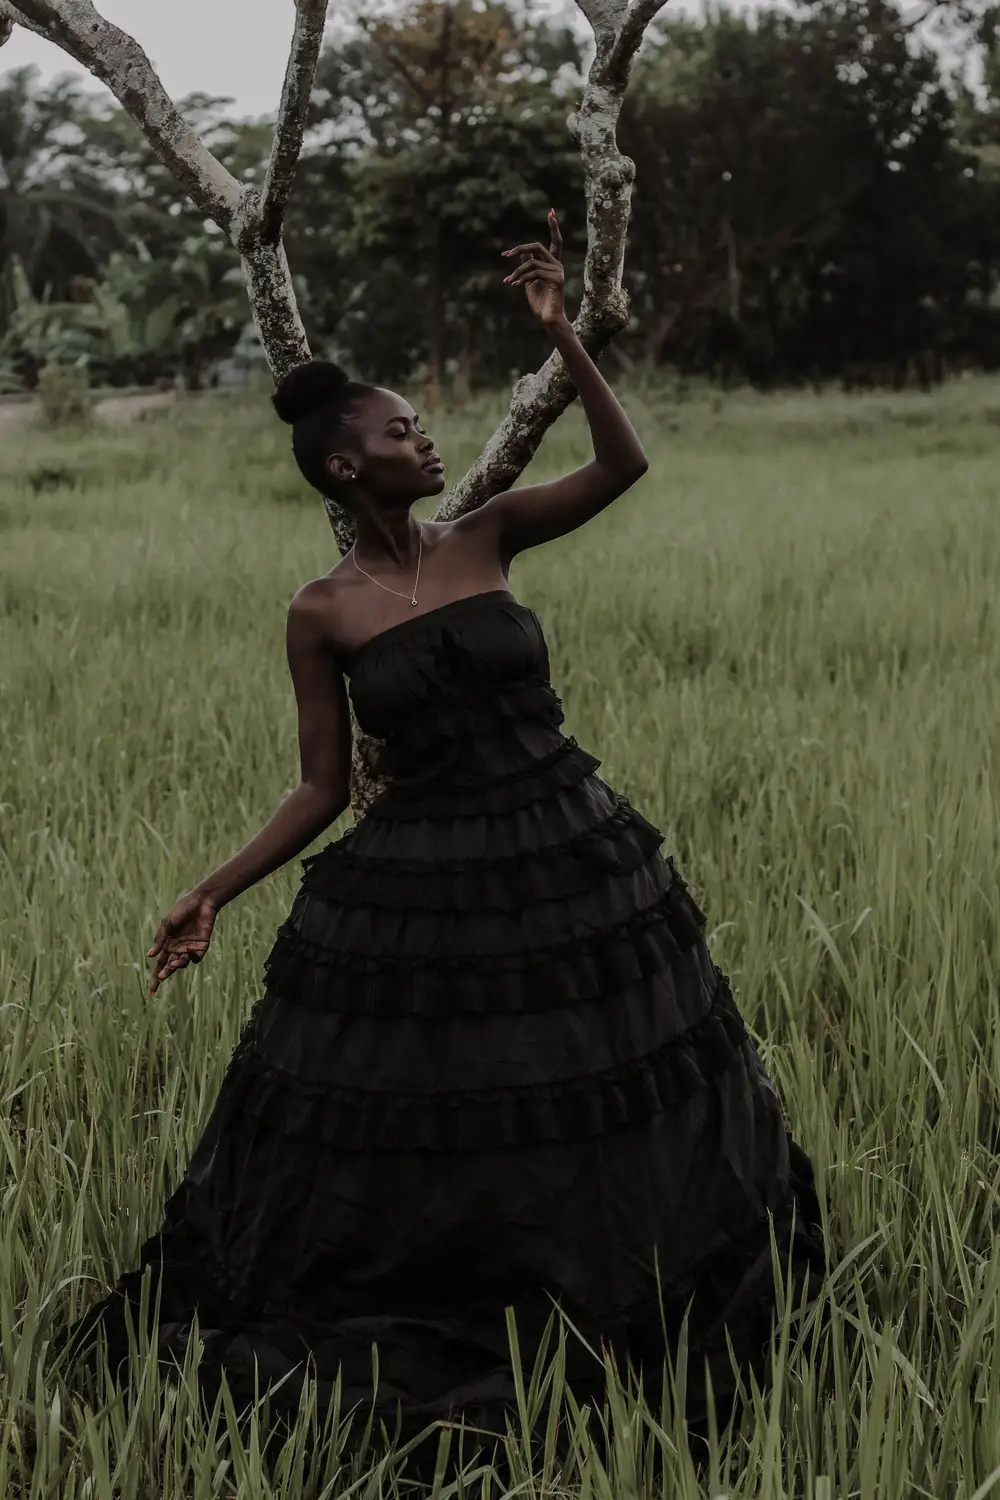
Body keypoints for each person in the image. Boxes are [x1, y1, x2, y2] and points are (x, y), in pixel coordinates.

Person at [58, 212, 824, 1452]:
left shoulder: (487, 534)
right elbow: (318, 786)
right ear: (344, 469)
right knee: (455, 1104)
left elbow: (625, 467)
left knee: (594, 1075)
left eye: (422, 422)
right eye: (399, 428)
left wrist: (565, 338)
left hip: (569, 849)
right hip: (423, 873)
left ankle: (619, 1297)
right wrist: (211, 890)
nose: (425, 436)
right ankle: (470, 1301)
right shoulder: (322, 612)